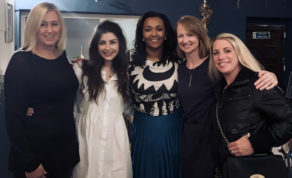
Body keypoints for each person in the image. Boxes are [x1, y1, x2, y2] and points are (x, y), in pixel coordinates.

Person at [176, 15, 279, 178]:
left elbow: (243, 75)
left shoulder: (215, 63)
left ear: (199, 36)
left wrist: (270, 76)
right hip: (188, 137)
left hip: (212, 136)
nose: (185, 40)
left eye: (190, 34)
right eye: (180, 35)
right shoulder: (178, 68)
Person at [4, 2, 79, 178]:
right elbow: (13, 118)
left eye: (54, 23)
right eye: (43, 24)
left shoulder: (62, 56)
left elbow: (61, 93)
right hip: (37, 158)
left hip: (64, 153)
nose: (49, 30)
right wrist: (29, 163)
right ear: (33, 27)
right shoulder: (21, 61)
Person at [209, 32, 292, 176]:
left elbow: (289, 120)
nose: (221, 57)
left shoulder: (258, 84)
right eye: (216, 52)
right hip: (224, 168)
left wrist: (255, 143)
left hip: (251, 169)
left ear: (239, 53)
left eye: (227, 50)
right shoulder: (219, 88)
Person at [72, 20, 132, 178]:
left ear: (120, 44)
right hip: (87, 141)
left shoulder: (126, 74)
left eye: (113, 42)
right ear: (95, 46)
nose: (108, 48)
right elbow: (61, 97)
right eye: (102, 43)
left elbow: (131, 108)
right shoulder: (81, 70)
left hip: (116, 142)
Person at [129, 11, 183, 178]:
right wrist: (84, 64)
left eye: (159, 29)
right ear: (142, 34)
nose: (154, 34)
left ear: (166, 34)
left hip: (174, 128)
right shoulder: (129, 61)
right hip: (144, 130)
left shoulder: (180, 60)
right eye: (148, 29)